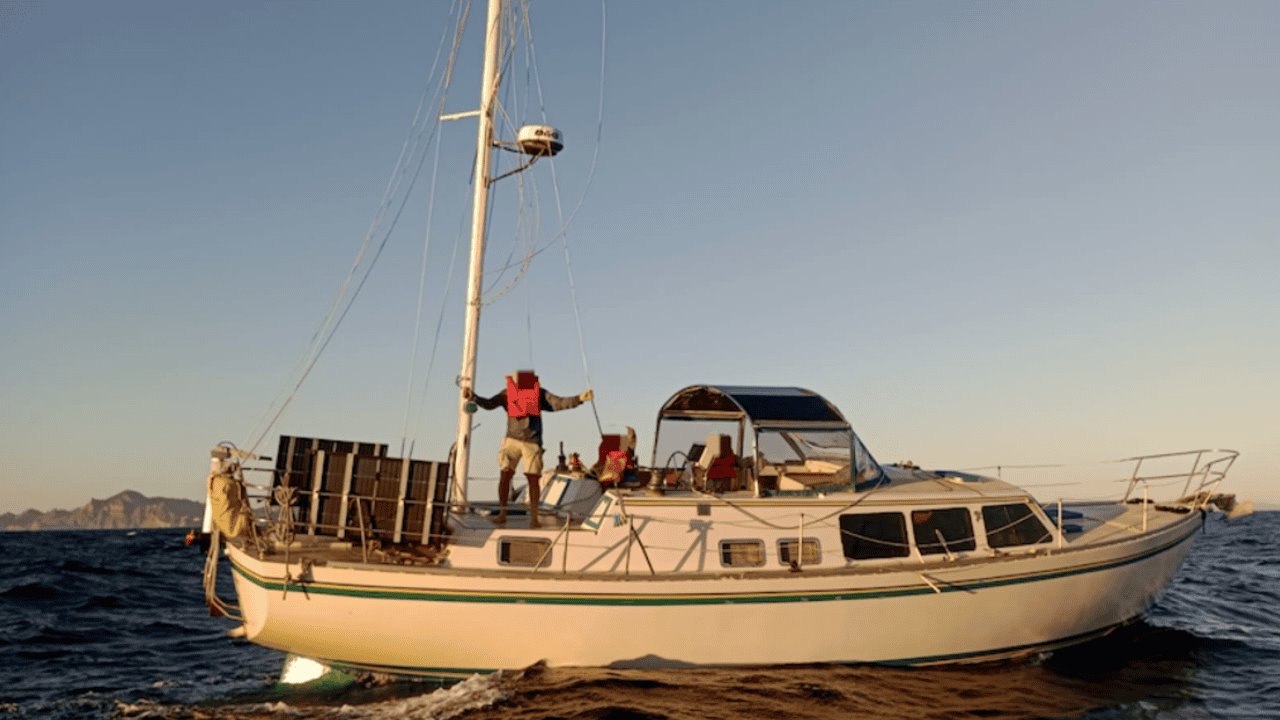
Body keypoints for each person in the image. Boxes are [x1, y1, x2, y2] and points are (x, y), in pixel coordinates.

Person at [465, 370, 593, 527]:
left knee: (533, 479)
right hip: (511, 440)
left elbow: (558, 403)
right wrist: (474, 397)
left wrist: (579, 399)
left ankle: (534, 518)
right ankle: (503, 513)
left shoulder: (538, 393)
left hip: (532, 442)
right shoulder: (507, 394)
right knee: (505, 474)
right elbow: (490, 404)